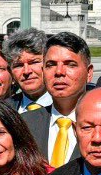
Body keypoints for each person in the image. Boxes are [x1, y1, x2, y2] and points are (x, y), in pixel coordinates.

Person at [22, 32, 93, 167]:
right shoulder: (24, 124)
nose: (59, 72)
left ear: (89, 73)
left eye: (70, 64)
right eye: (51, 65)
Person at [5, 28, 49, 111]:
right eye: (19, 65)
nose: (26, 71)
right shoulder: (4, 110)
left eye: (33, 62)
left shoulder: (69, 108)